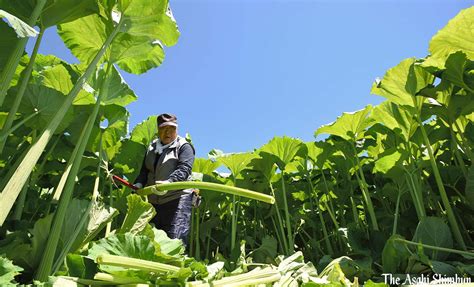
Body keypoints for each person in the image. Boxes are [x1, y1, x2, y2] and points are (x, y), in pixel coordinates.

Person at [133, 113, 195, 247]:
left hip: (177, 199)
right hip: (154, 200)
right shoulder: (151, 148)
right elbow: (145, 170)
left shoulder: (184, 147)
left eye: (171, 129)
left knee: (175, 240)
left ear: (176, 129)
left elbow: (185, 169)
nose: (167, 132)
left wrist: (170, 182)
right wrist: (139, 183)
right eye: (163, 129)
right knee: (154, 241)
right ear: (158, 131)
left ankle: (176, 266)